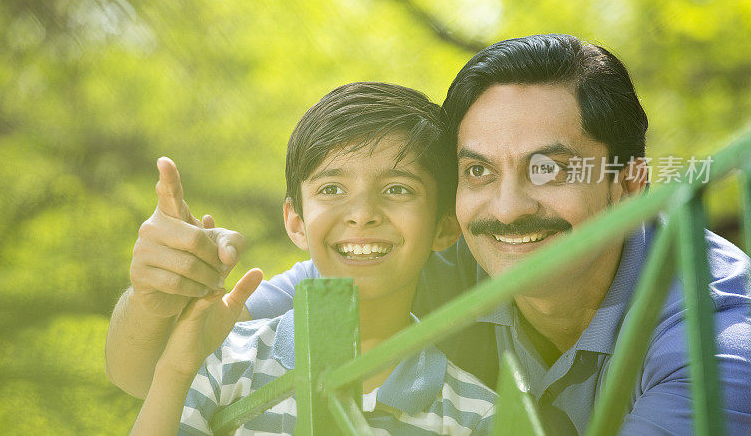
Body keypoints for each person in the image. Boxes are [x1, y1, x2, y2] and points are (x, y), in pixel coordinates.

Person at [107, 34, 751, 434]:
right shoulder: (437, 251)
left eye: (548, 169)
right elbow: (149, 370)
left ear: (630, 184)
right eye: (477, 171)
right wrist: (157, 296)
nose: (507, 208)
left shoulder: (715, 344)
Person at [128, 82, 497, 435]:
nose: (362, 213)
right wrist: (176, 368)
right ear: (296, 222)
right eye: (332, 189)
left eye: (397, 189)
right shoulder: (225, 361)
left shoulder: (474, 415)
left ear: (445, 228)